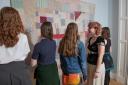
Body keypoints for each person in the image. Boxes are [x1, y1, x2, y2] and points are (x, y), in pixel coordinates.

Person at [0, 7, 32, 85]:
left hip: (2, 74)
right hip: (20, 72)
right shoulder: (23, 37)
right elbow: (26, 55)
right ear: (17, 20)